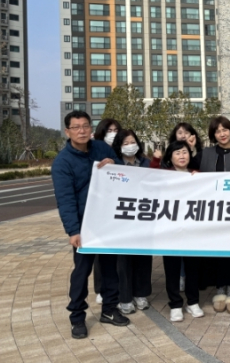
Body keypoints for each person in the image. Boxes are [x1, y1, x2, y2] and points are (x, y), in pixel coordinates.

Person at [52, 111, 129, 339]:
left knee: (110, 268)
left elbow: (122, 173)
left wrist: (114, 164)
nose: (82, 131)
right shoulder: (62, 162)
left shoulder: (101, 148)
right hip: (84, 226)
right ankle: (77, 317)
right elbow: (65, 199)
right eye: (76, 127)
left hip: (106, 221)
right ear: (67, 132)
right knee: (82, 272)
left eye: (85, 126)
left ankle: (110, 309)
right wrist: (73, 230)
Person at [197, 116, 230, 315]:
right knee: (216, 251)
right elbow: (188, 172)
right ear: (213, 135)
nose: (222, 134)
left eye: (225, 129)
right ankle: (219, 290)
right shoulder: (205, 154)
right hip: (211, 211)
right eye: (218, 131)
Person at [154, 140, 205, 322]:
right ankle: (175, 304)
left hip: (192, 229)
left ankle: (193, 302)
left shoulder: (197, 175)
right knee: (172, 268)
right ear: (170, 157)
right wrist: (155, 159)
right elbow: (147, 181)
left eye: (184, 152)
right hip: (170, 230)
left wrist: (200, 179)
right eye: (177, 153)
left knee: (192, 268)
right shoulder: (164, 175)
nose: (182, 156)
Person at [110, 129, 153, 314]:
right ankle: (125, 297)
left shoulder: (146, 163)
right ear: (119, 146)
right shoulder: (114, 165)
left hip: (144, 217)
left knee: (143, 258)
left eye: (132, 142)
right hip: (122, 220)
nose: (130, 146)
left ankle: (141, 294)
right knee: (124, 260)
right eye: (125, 143)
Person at [92, 118, 123, 305]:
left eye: (116, 130)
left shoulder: (121, 150)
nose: (113, 134)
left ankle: (117, 288)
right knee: (100, 251)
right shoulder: (95, 150)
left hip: (121, 207)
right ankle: (100, 288)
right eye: (109, 131)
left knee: (118, 254)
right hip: (101, 208)